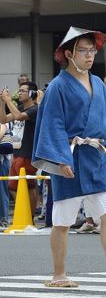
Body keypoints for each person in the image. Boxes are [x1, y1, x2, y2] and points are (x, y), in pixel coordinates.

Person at [32, 28, 106, 288]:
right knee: (62, 221)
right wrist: (60, 160)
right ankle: (59, 274)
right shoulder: (57, 86)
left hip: (96, 157)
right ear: (68, 54)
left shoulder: (98, 83)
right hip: (70, 156)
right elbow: (52, 124)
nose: (90, 55)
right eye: (84, 51)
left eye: (92, 50)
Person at [1, 81, 40, 215]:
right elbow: (4, 119)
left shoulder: (34, 109)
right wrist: (2, 102)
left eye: (23, 90)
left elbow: (18, 116)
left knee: (29, 185)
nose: (20, 93)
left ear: (31, 93)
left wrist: (8, 100)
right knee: (12, 186)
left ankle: (31, 216)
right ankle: (24, 212)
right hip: (17, 152)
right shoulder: (20, 108)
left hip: (28, 153)